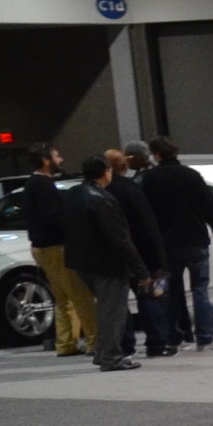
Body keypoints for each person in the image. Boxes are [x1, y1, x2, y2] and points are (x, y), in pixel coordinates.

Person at [141, 136, 213, 353]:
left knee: (170, 292)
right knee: (200, 290)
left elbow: (146, 214)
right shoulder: (192, 175)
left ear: (157, 155)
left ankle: (174, 338)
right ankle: (205, 339)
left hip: (167, 244)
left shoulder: (150, 178)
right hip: (195, 240)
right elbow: (210, 207)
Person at [60, 155, 145, 372]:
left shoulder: (73, 194)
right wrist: (140, 270)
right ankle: (111, 357)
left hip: (81, 262)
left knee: (103, 309)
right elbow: (119, 238)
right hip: (108, 264)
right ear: (106, 172)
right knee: (113, 311)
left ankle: (101, 352)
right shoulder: (103, 199)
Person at [20, 144, 92, 358]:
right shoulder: (44, 186)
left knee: (63, 298)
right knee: (81, 296)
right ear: (45, 161)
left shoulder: (31, 185)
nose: (60, 160)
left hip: (41, 248)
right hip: (55, 247)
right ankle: (95, 340)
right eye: (56, 156)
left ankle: (66, 342)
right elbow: (54, 218)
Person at [103, 146, 171, 357]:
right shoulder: (131, 189)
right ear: (124, 165)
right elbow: (147, 225)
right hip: (140, 254)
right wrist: (159, 259)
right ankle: (157, 344)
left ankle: (125, 346)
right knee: (150, 297)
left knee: (118, 303)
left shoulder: (100, 191)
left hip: (112, 255)